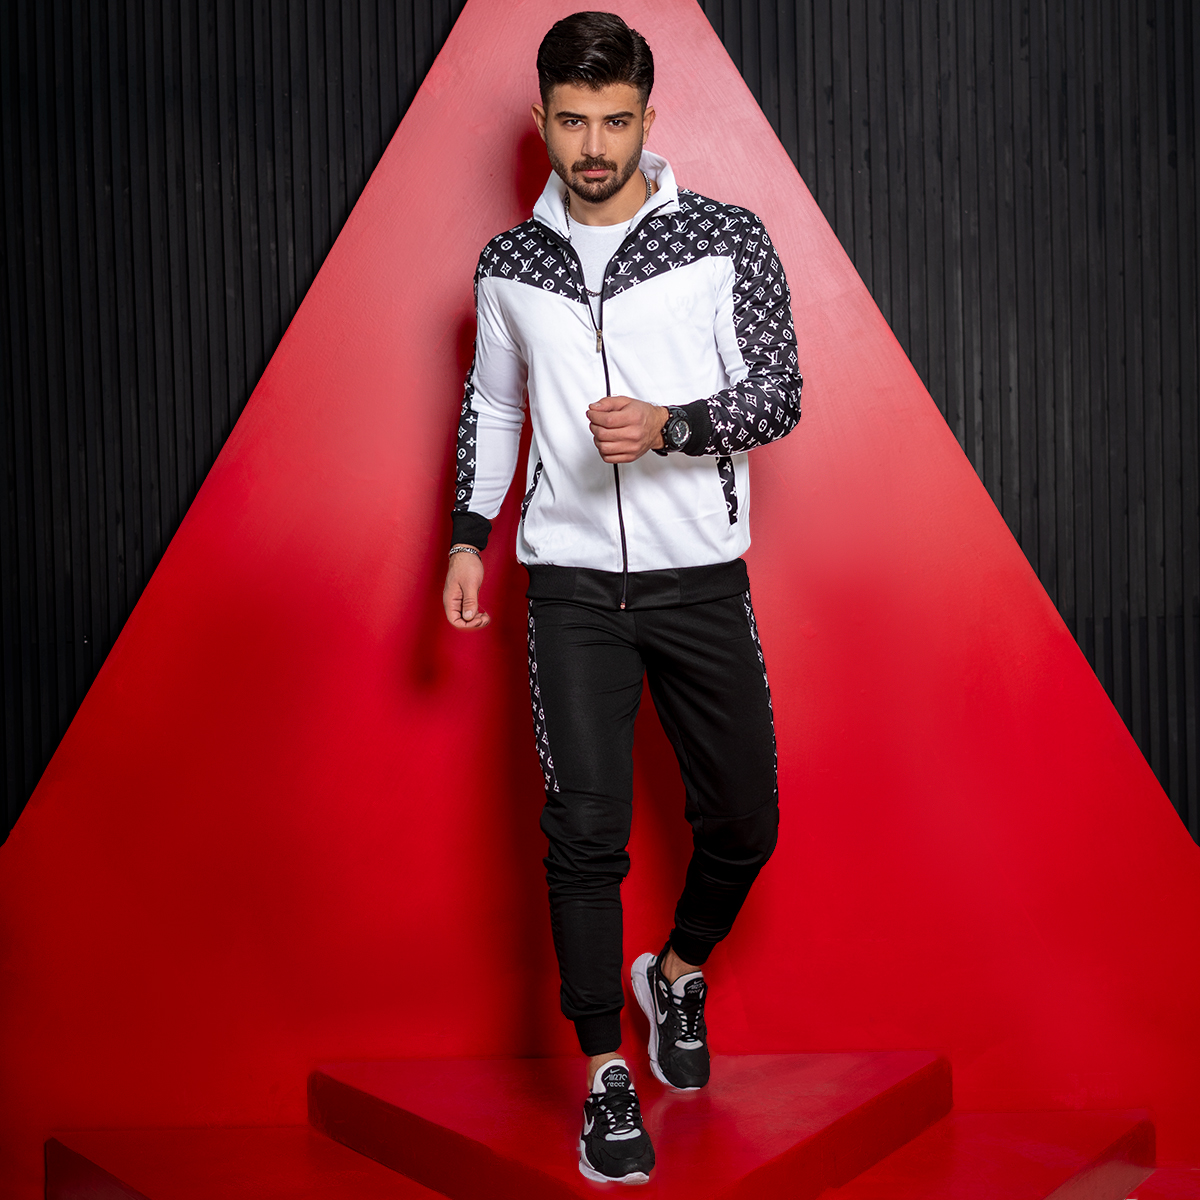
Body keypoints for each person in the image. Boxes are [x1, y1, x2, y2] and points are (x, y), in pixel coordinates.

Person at [441, 11, 802, 1185]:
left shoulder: (724, 238)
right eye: (570, 121)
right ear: (541, 119)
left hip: (701, 576)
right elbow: (494, 406)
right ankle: (605, 1074)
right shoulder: (510, 264)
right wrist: (468, 538)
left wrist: (671, 428)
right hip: (572, 587)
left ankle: (677, 975)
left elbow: (780, 391)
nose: (593, 146)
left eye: (614, 120)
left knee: (745, 820)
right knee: (585, 832)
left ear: (649, 115)